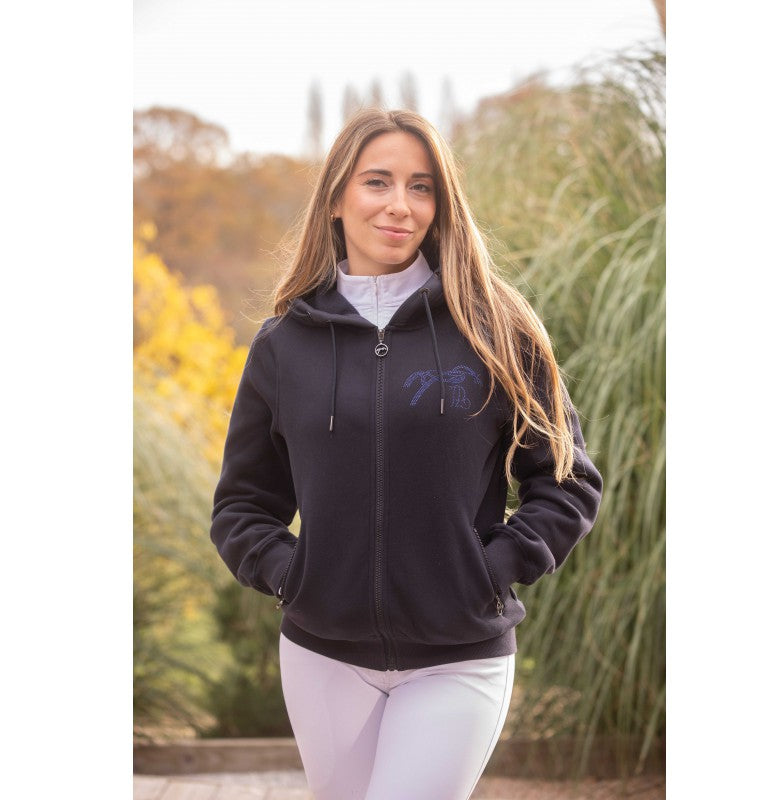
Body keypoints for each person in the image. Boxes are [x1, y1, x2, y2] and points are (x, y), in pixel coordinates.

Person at [210, 108, 603, 800]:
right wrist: (293, 575)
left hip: (459, 655)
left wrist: (492, 569)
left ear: (440, 205)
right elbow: (242, 505)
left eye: (421, 187)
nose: (400, 204)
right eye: (378, 182)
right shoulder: (284, 345)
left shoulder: (493, 327)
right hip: (322, 656)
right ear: (336, 198)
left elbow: (567, 479)